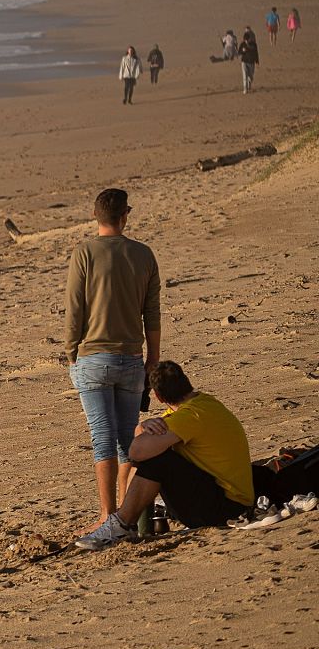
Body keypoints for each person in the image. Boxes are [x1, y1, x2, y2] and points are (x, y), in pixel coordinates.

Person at [76, 362, 254, 549]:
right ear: (186, 382)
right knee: (155, 451)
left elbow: (135, 452)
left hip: (227, 510)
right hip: (231, 501)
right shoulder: (204, 404)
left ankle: (122, 523)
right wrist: (142, 427)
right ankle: (126, 520)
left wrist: (142, 430)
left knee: (155, 459)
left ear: (159, 397)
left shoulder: (189, 416)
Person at [65, 189, 161, 534]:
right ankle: (127, 513)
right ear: (125, 216)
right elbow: (152, 313)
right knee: (126, 440)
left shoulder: (85, 252)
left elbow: (75, 308)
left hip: (92, 358)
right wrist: (154, 356)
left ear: (96, 217)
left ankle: (108, 515)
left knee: (102, 437)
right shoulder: (144, 254)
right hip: (132, 359)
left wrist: (70, 352)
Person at [238, 27, 259, 93]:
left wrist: (257, 61)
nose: (246, 41)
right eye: (245, 40)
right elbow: (239, 52)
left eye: (247, 40)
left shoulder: (254, 44)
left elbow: (256, 53)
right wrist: (242, 51)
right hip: (244, 61)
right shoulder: (242, 44)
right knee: (244, 76)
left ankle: (249, 83)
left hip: (251, 62)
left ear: (250, 39)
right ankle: (245, 89)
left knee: (251, 76)